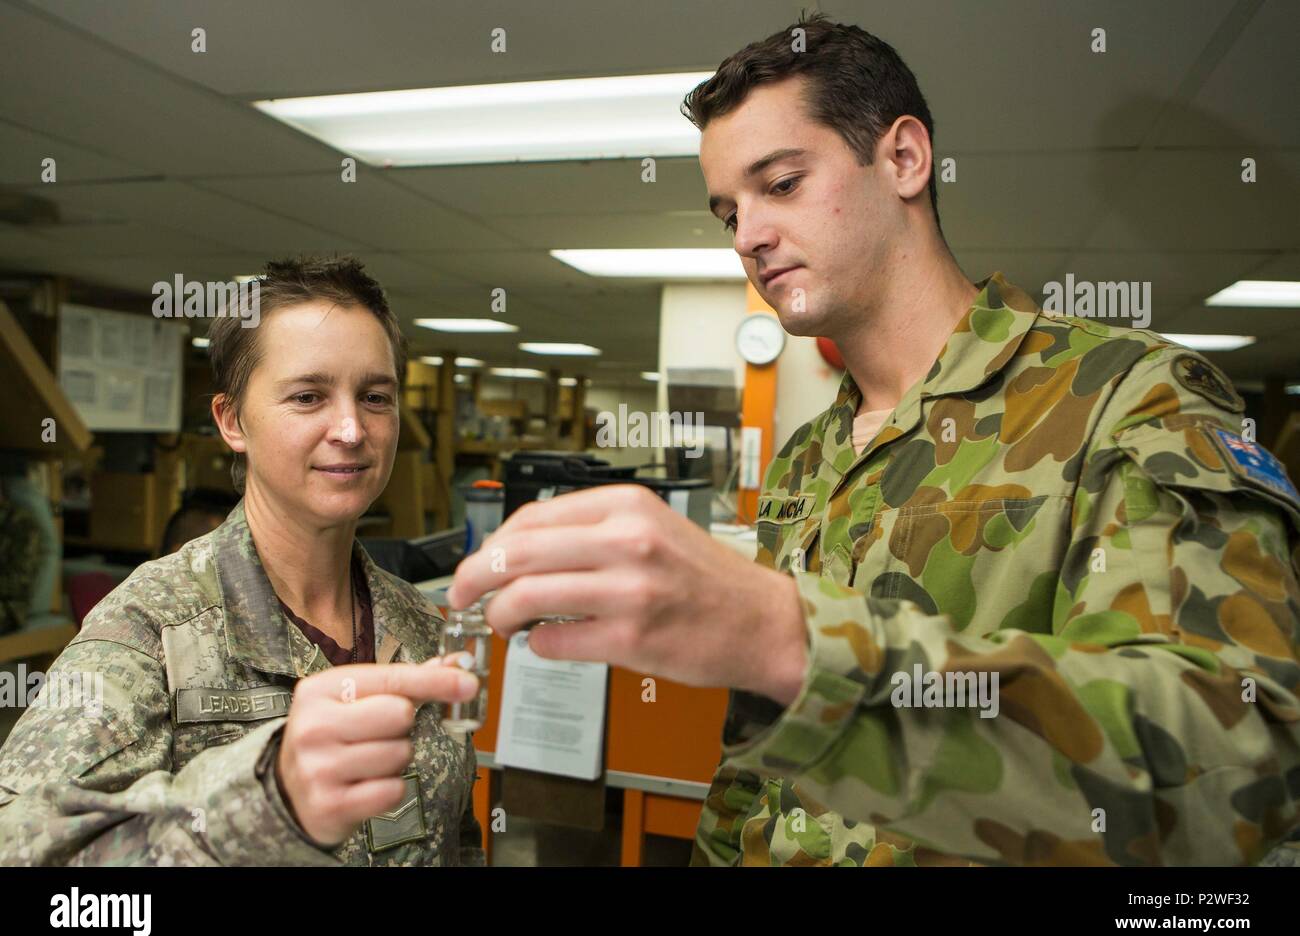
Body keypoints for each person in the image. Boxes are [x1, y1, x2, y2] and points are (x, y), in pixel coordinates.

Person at [448, 14, 1300, 866]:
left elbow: (1235, 764)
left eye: (779, 184)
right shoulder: (805, 461)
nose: (746, 235)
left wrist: (792, 637)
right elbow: (758, 770)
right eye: (727, 212)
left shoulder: (1128, 398)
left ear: (903, 159)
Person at [0, 256, 483, 865]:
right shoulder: (152, 629)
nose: (351, 428)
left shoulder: (423, 627)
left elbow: (459, 840)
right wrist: (263, 803)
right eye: (308, 396)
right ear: (232, 420)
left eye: (375, 397)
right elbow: (24, 852)